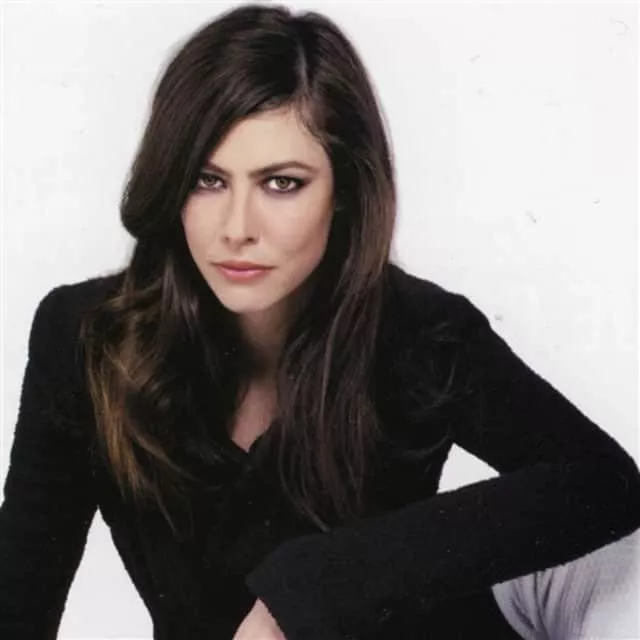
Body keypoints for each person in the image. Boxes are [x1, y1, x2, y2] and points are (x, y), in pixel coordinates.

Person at [1, 3, 638, 639]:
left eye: (282, 183)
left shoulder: (420, 333)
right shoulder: (87, 337)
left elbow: (603, 482)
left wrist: (310, 589)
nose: (237, 228)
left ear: (345, 193)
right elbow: (22, 593)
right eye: (207, 180)